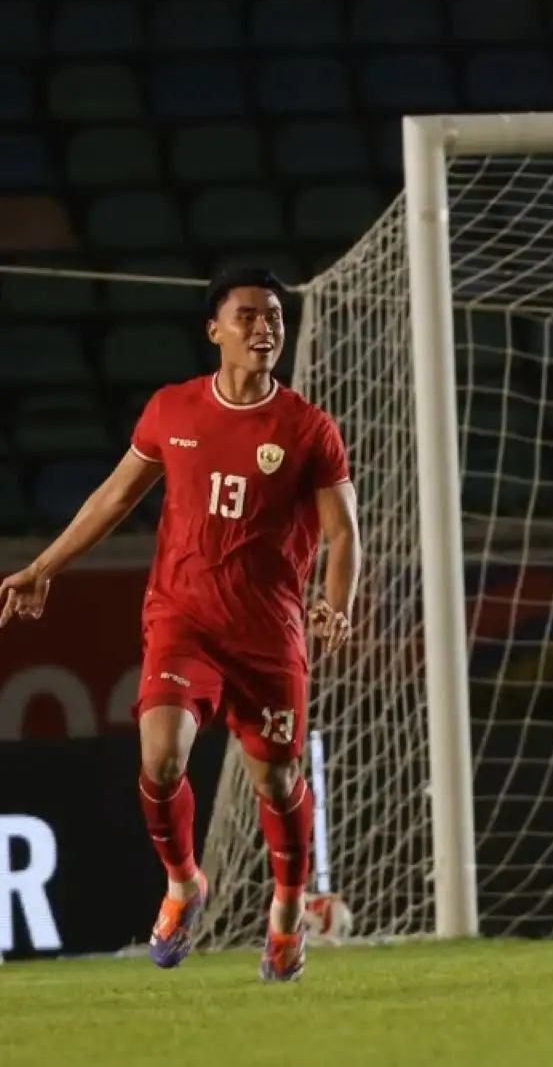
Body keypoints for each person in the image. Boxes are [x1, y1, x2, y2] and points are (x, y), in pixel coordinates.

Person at [0, 268, 361, 980]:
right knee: (160, 759)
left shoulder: (308, 428)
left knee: (279, 782)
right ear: (215, 330)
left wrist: (336, 601)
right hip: (183, 620)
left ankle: (288, 910)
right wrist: (45, 565)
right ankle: (183, 883)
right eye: (250, 316)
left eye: (276, 320)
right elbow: (113, 498)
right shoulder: (173, 410)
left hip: (268, 633)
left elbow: (343, 532)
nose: (265, 329)